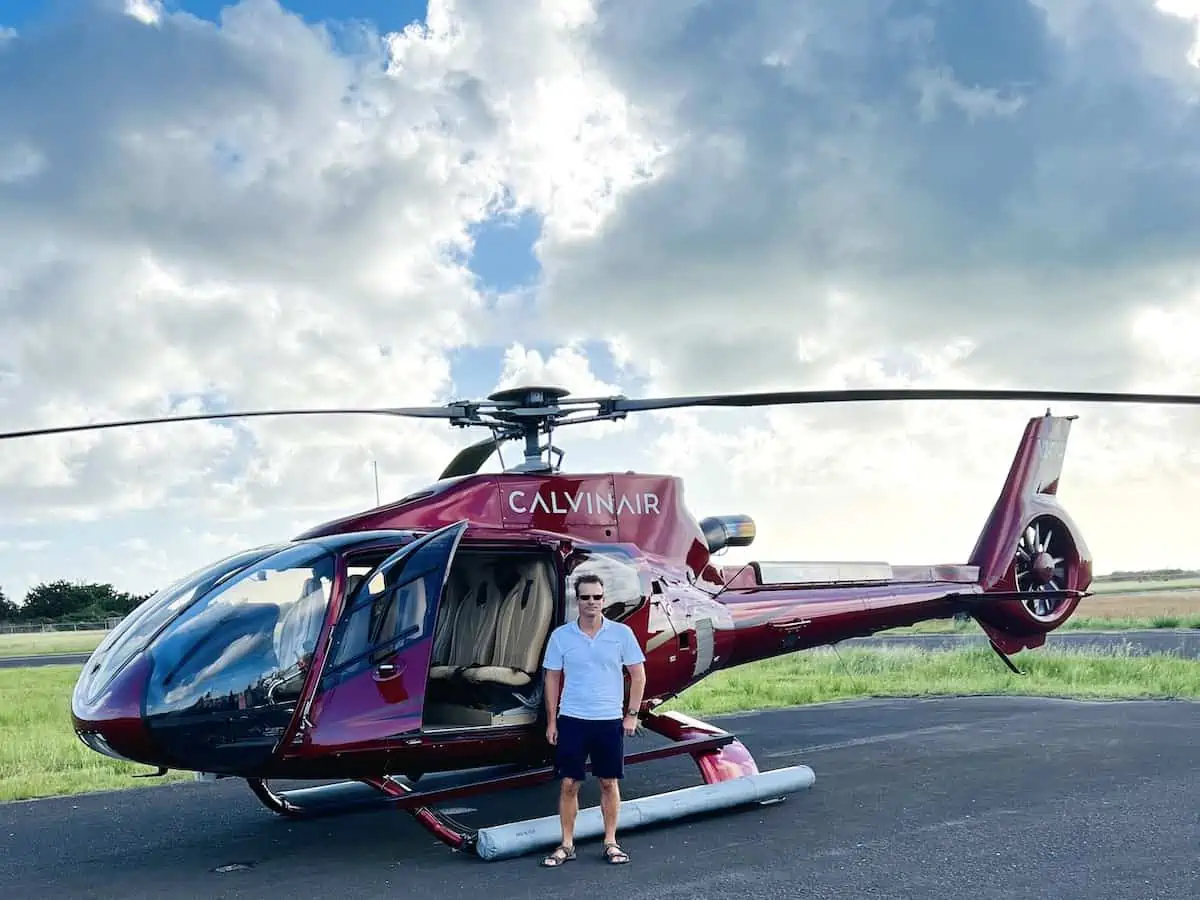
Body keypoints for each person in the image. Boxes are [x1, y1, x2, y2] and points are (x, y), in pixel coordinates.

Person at [539, 572, 646, 867]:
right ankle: (567, 843)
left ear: (604, 599)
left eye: (596, 597)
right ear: (577, 600)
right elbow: (551, 679)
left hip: (608, 719)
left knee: (608, 783)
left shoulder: (621, 634)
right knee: (569, 784)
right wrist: (552, 721)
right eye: (585, 597)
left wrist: (632, 715)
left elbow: (638, 675)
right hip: (572, 718)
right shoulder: (561, 637)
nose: (591, 602)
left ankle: (611, 841)